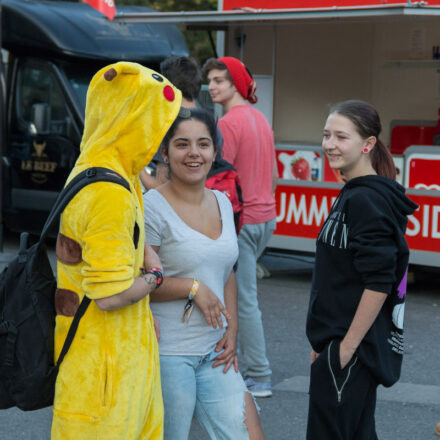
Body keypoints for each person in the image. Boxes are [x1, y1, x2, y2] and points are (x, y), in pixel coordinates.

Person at [51, 62, 182, 439]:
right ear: (133, 123)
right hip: (106, 375)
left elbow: (132, 246)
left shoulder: (100, 169)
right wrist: (155, 279)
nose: (160, 140)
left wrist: (146, 265)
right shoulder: (110, 192)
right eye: (156, 125)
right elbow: (108, 296)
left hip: (110, 362)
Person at [143, 108, 264, 440]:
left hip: (216, 351)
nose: (194, 153)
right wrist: (191, 287)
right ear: (165, 152)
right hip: (167, 353)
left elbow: (225, 270)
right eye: (182, 144)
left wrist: (234, 329)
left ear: (215, 152)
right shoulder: (150, 207)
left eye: (203, 144)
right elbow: (137, 283)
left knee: (247, 434)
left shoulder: (223, 202)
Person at [306, 100, 418, 439]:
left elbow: (379, 282)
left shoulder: (366, 200)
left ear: (367, 145)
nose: (330, 144)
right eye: (327, 135)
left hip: (350, 352)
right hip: (336, 348)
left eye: (342, 137)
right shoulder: (353, 193)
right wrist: (322, 342)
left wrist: (345, 348)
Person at [203, 56, 277, 397]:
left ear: (235, 82)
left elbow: (219, 176)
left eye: (220, 80)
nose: (213, 86)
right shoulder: (260, 118)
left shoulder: (228, 124)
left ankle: (259, 375)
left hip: (242, 220)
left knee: (244, 298)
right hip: (266, 218)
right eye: (211, 80)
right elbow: (274, 174)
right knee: (243, 294)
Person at [140, 55, 223, 190]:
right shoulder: (211, 124)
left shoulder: (168, 124)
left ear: (166, 86)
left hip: (175, 208)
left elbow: (161, 187)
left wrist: (137, 170)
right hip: (205, 204)